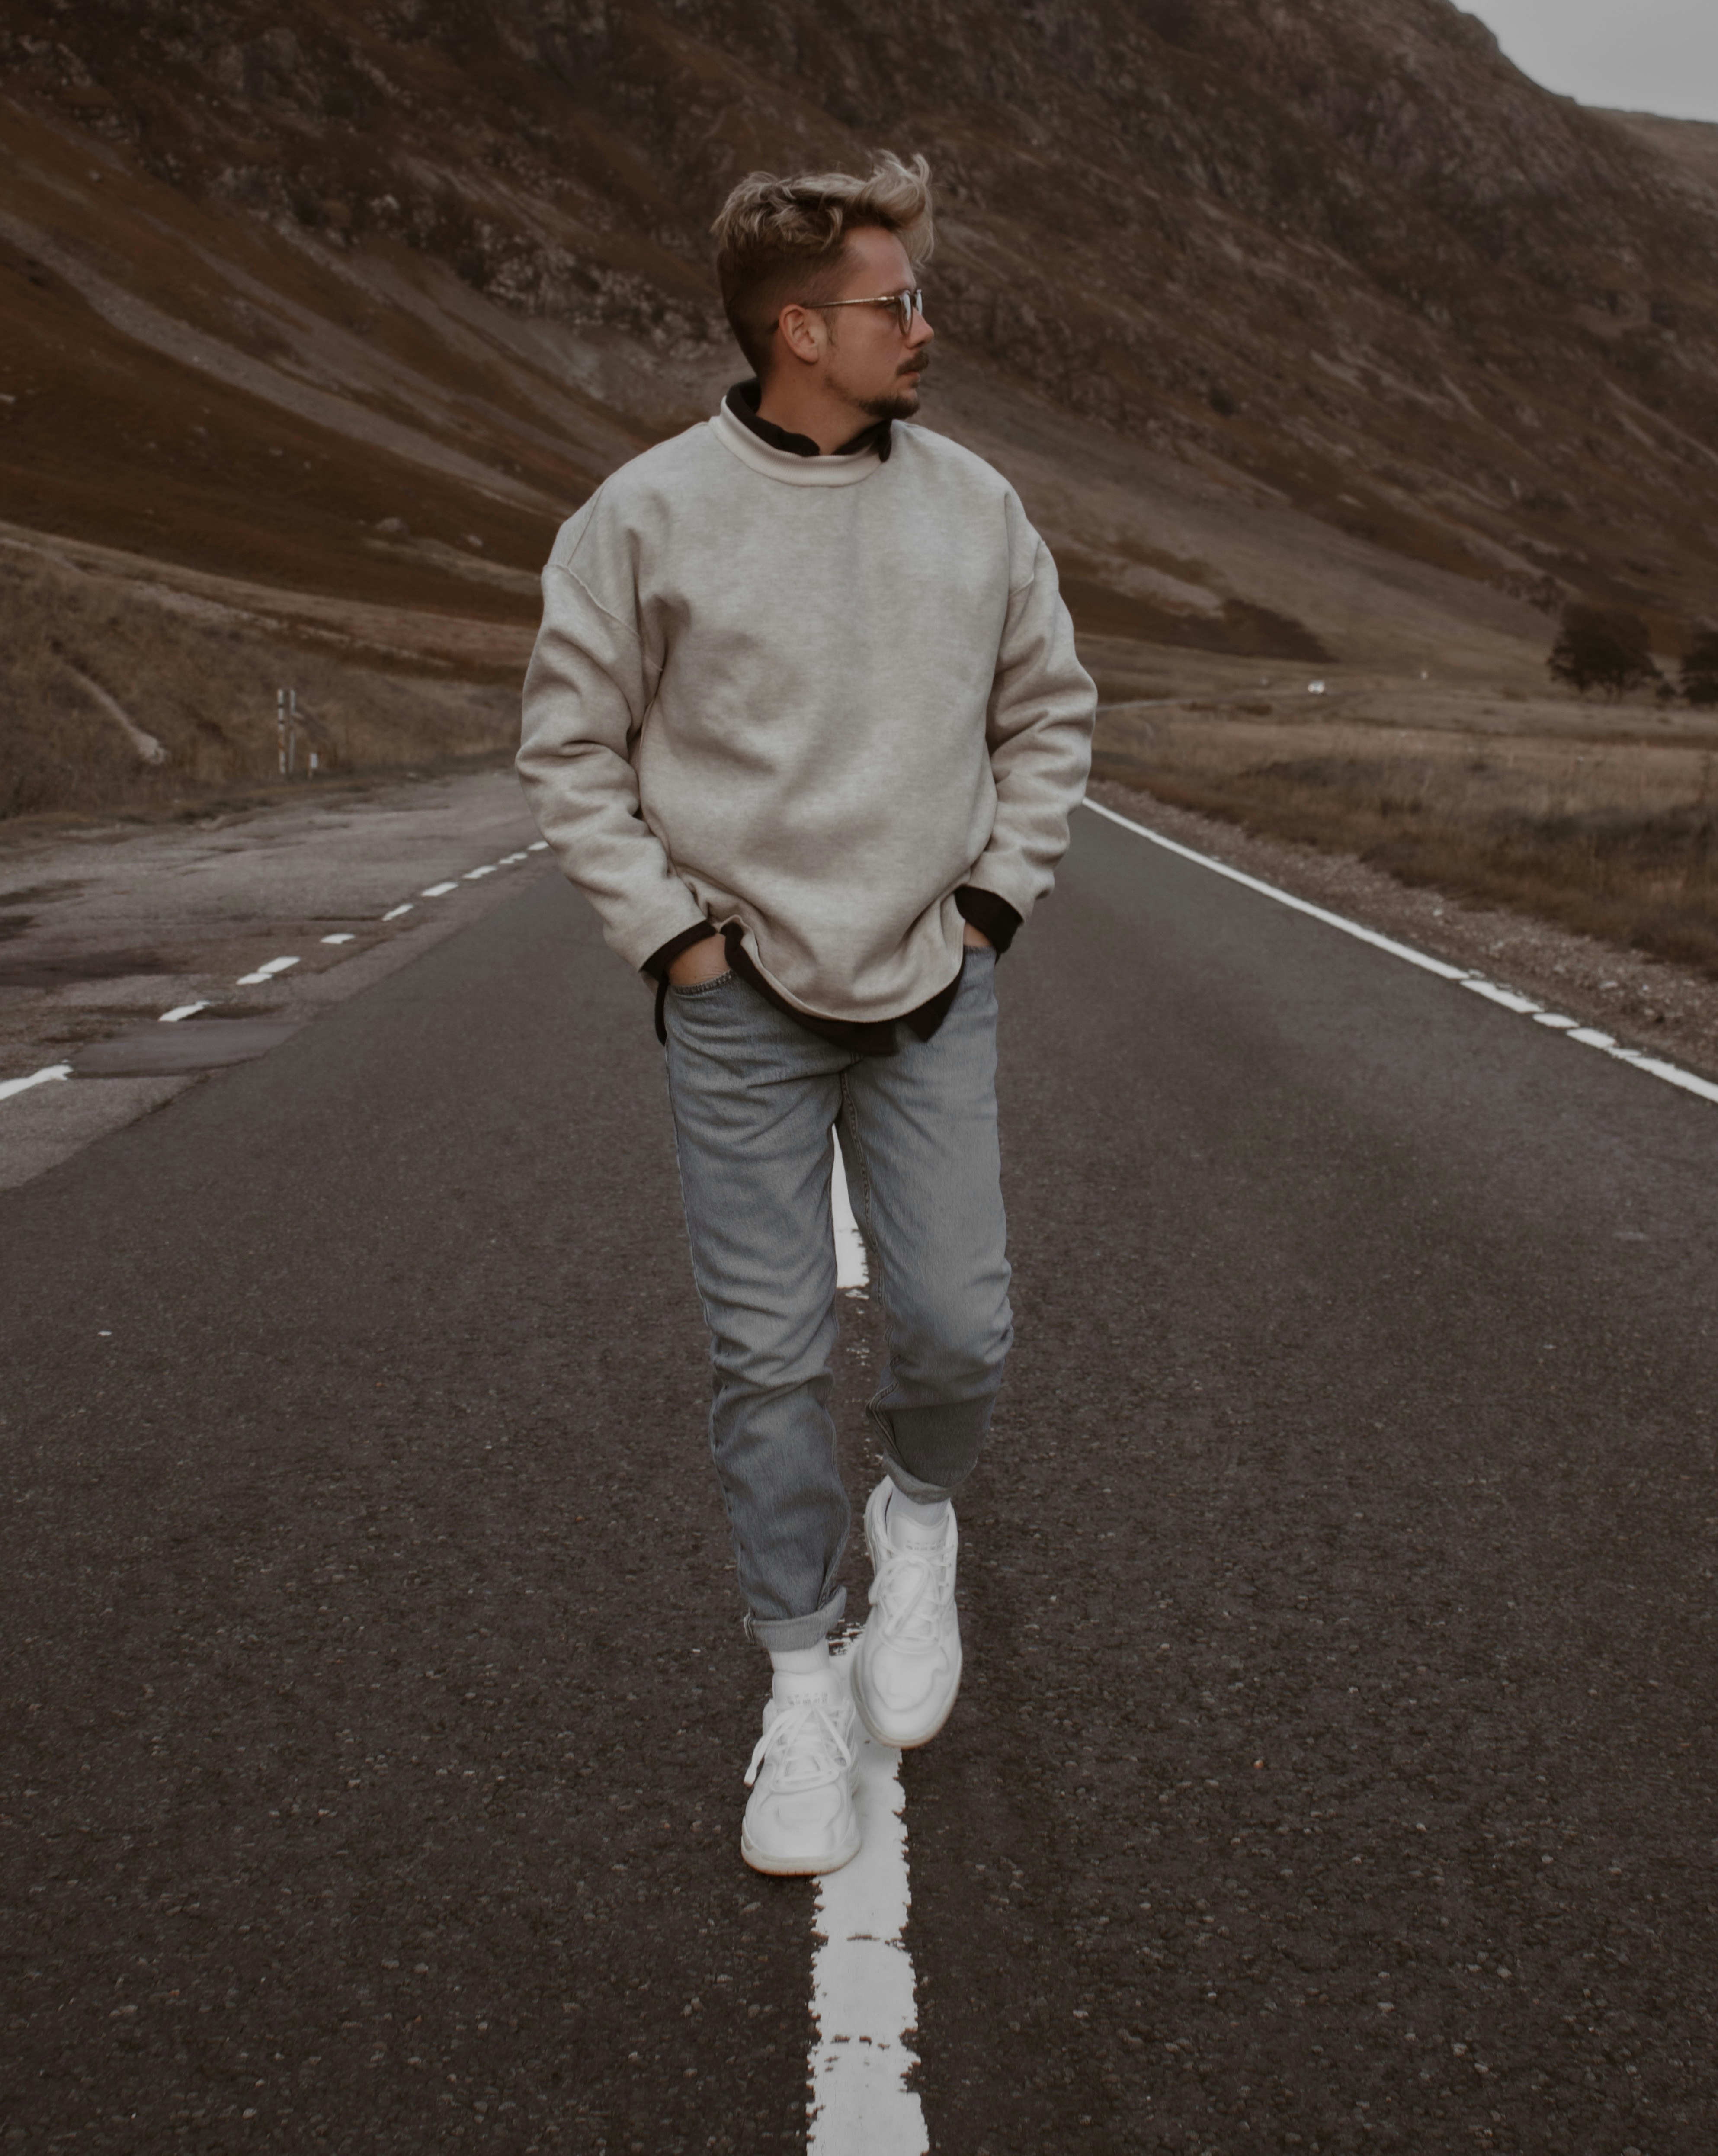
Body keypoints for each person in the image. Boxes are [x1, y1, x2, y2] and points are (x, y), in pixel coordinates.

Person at [518, 152, 1094, 1876]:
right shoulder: (643, 516)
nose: (925, 326)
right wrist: (675, 944)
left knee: (962, 1327)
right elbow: (570, 750)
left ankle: (917, 1520)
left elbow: (1049, 716)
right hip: (739, 998)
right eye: (893, 302)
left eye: (917, 296)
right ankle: (799, 1678)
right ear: (798, 329)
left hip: (935, 981)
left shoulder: (979, 507)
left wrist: (991, 903)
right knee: (764, 1354)